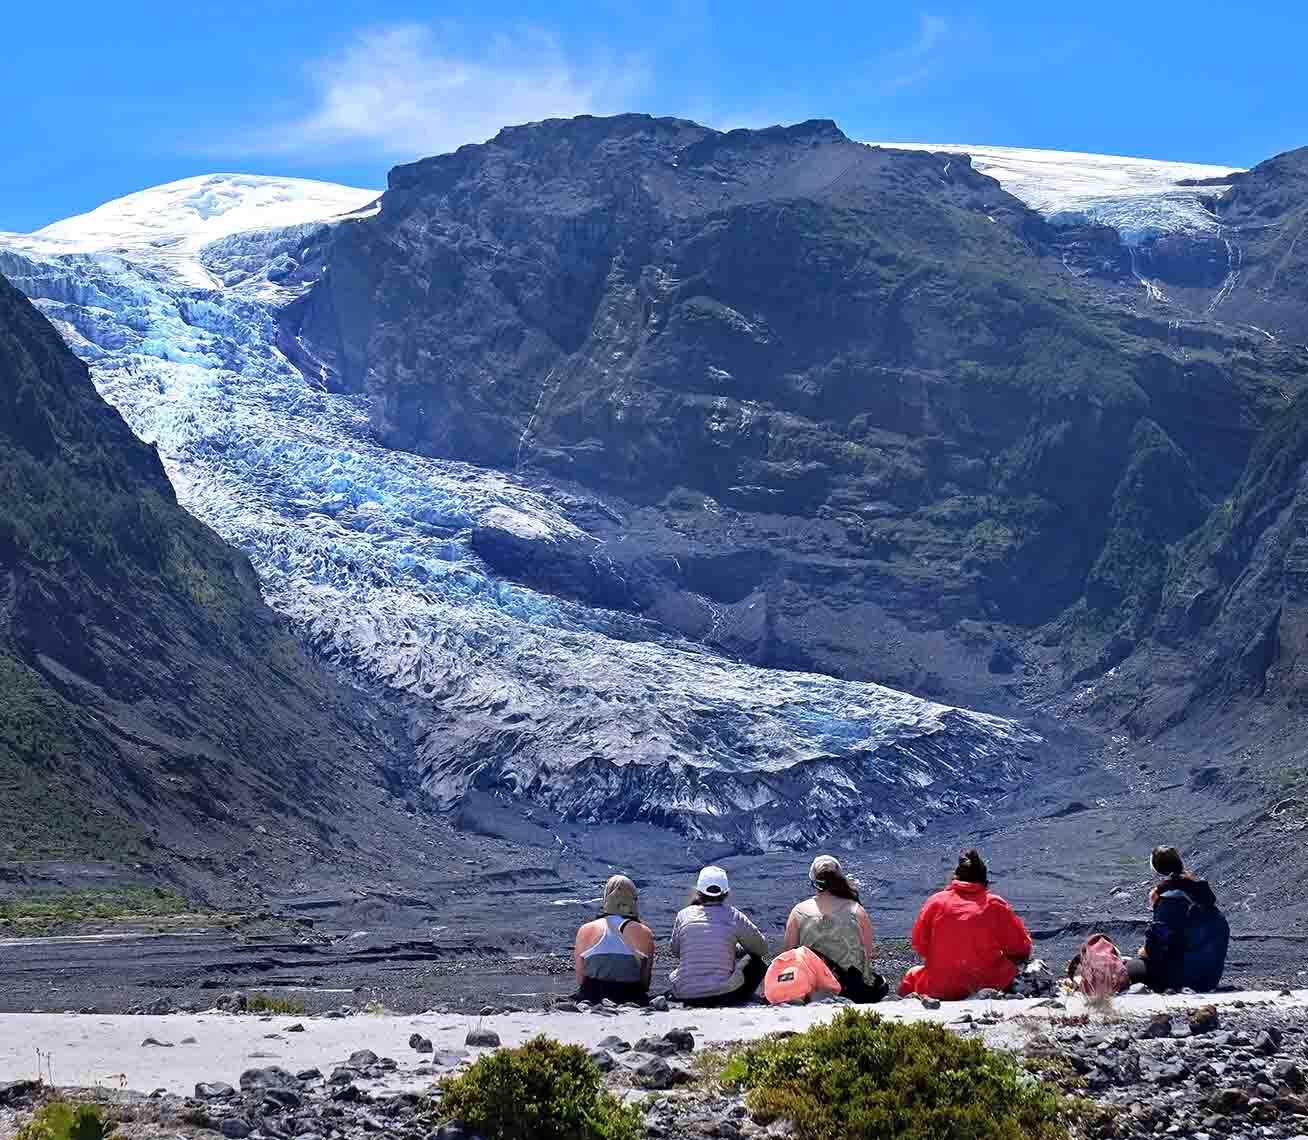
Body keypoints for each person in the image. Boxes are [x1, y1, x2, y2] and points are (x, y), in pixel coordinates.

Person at [899, 849, 1033, 1000]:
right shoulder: (994, 904)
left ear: (956, 877)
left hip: (940, 987)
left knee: (912, 975)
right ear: (984, 880)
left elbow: (919, 944)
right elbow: (1021, 947)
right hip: (988, 983)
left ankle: (896, 1010)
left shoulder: (936, 901)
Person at [782, 855, 888, 1003]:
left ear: (813, 881)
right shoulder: (857, 910)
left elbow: (789, 956)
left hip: (810, 989)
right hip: (851, 990)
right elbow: (866, 955)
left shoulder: (798, 911)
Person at [1124, 846, 1229, 992]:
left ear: (1155, 871)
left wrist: (1143, 951)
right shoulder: (1201, 895)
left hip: (1180, 979)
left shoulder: (1169, 901)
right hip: (1210, 978)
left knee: (1125, 969)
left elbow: (1155, 949)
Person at [669, 865, 769, 1006]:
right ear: (726, 892)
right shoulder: (733, 915)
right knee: (756, 963)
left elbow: (676, 951)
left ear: (698, 891)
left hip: (684, 993)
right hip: (723, 994)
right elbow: (761, 948)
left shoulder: (683, 915)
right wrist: (737, 949)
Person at [573, 875, 656, 1004]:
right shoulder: (645, 932)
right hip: (631, 997)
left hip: (592, 997)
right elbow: (644, 983)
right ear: (633, 900)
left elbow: (580, 980)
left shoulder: (586, 929)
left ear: (606, 899)